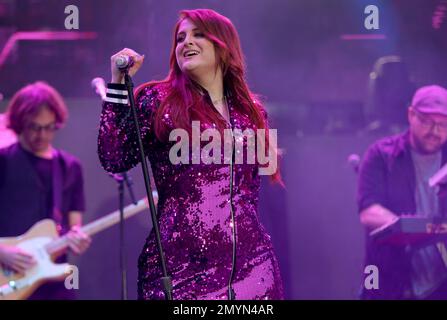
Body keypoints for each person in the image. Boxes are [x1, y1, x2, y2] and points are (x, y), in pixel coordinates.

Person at [98, 9, 284, 300]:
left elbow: (249, 192)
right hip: (180, 268)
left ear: (224, 47)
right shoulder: (158, 101)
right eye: (180, 38)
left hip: (252, 267)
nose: (186, 42)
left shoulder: (250, 112)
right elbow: (114, 155)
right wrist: (117, 85)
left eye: (198, 34)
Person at [0, 81, 91, 300]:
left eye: (49, 127)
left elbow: (74, 226)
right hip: (9, 275)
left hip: (53, 278)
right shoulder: (3, 161)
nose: (42, 135)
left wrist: (78, 240)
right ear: (20, 124)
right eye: (34, 127)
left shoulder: (69, 167)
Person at [358, 84, 447, 299]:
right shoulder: (381, 154)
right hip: (390, 277)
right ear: (411, 115)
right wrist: (416, 229)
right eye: (427, 122)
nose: (435, 131)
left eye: (443, 125)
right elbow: (368, 212)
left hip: (439, 280)